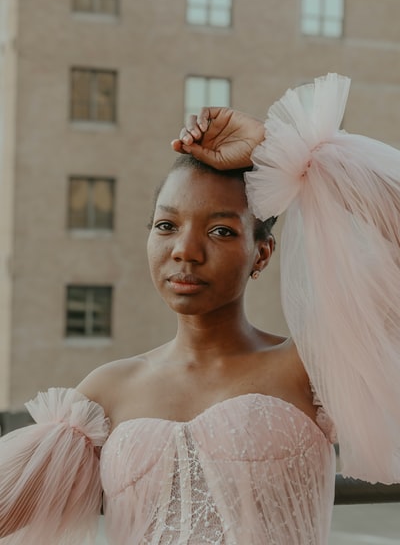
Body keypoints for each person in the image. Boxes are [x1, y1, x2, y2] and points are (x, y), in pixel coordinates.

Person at [0, 73, 399, 545]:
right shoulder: (103, 394)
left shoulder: (309, 366)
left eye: (221, 231)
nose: (185, 250)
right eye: (167, 225)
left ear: (262, 253)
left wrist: (274, 150)